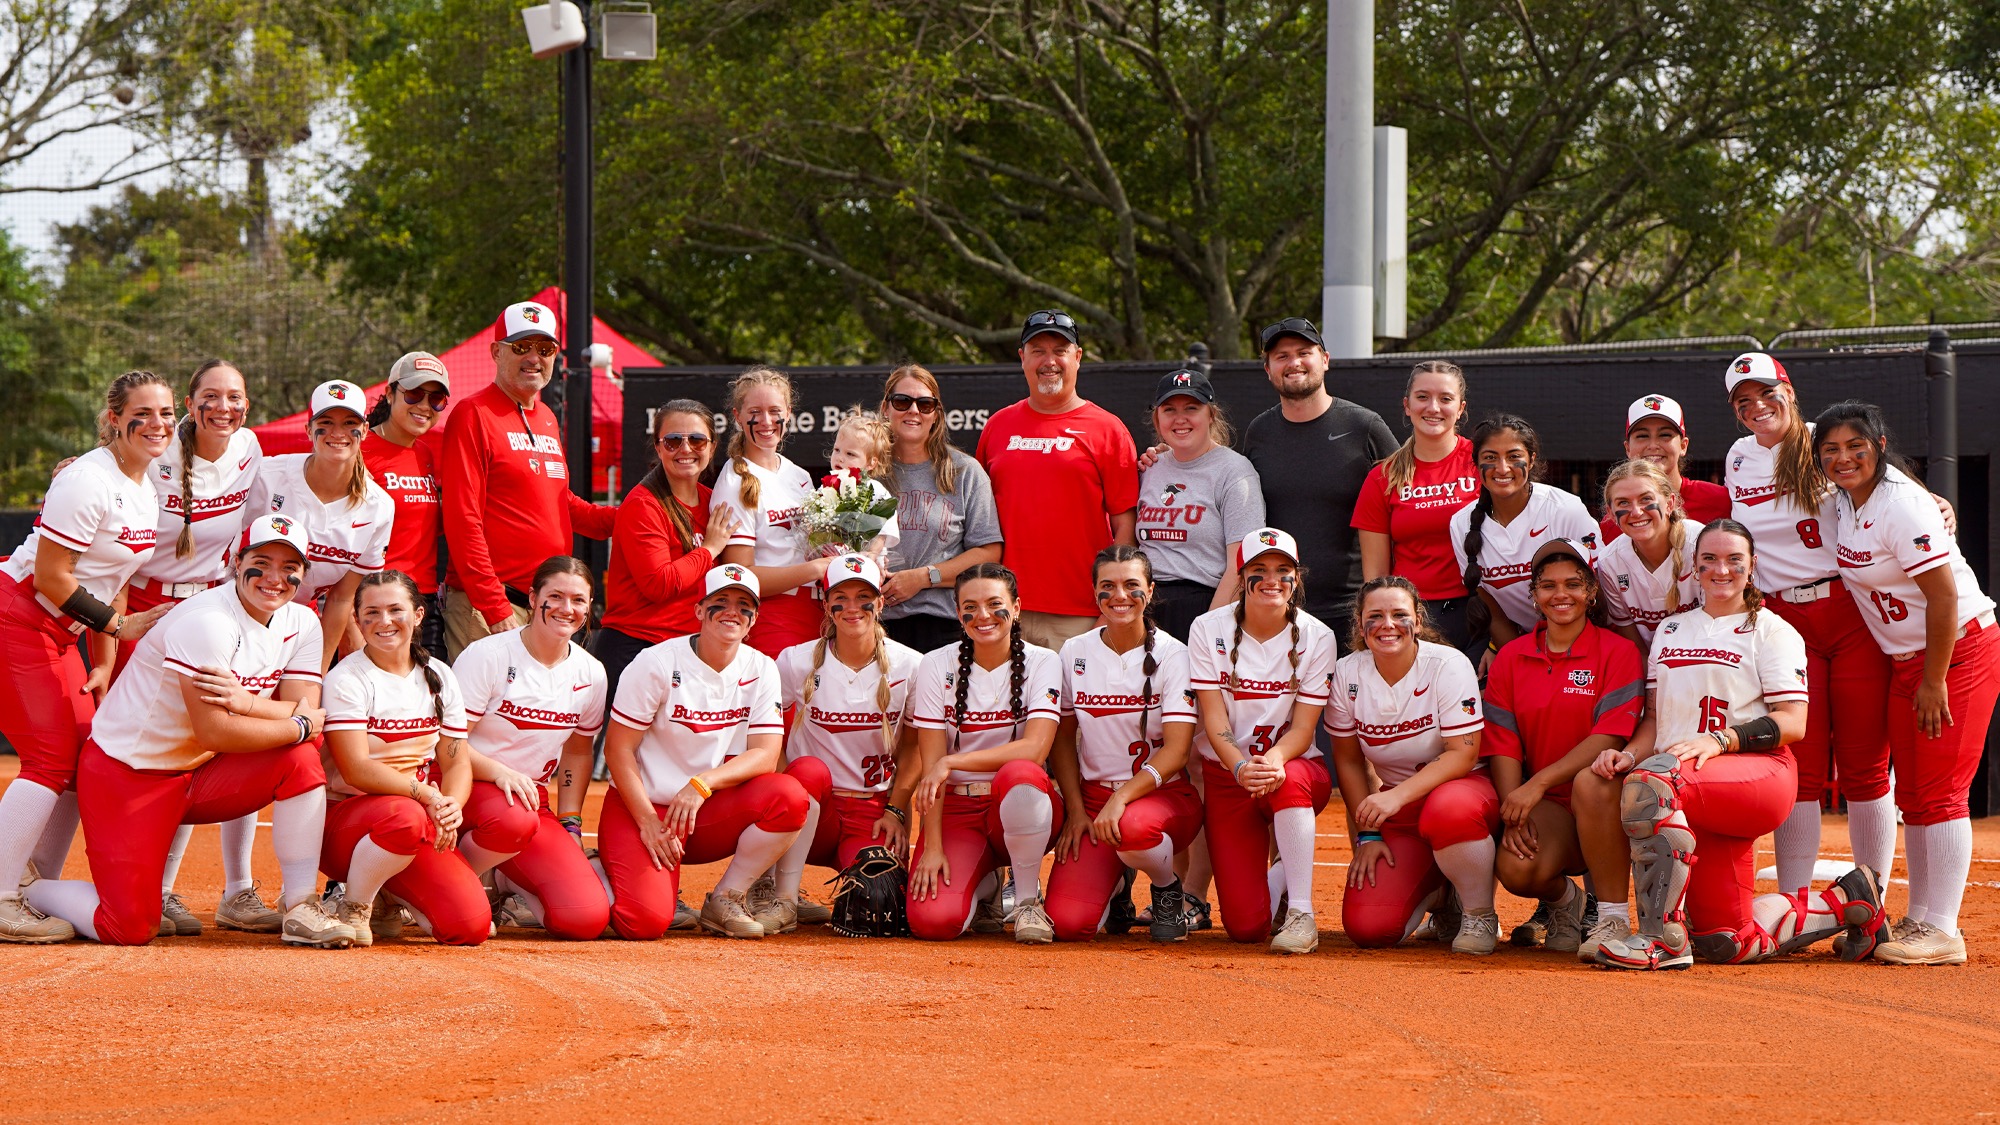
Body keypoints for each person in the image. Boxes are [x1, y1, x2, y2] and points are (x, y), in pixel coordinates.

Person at [20, 515, 355, 948]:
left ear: (303, 574)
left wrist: (252, 705)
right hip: (130, 775)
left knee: (301, 758)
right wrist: (296, 722)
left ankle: (301, 905)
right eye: (262, 561)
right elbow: (219, 730)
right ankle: (30, 888)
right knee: (128, 927)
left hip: (200, 772)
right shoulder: (208, 620)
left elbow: (305, 712)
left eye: (289, 567)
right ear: (236, 562)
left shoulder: (303, 622)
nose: (275, 578)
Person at [1592, 519, 1888, 970]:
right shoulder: (1671, 631)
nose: (1721, 569)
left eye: (1734, 559)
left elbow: (1794, 722)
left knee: (1650, 783)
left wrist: (1722, 739)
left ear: (1752, 566)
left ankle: (1659, 940)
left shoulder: (1772, 630)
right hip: (1689, 785)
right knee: (1725, 941)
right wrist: (1629, 753)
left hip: (1756, 773)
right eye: (1709, 559)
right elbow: (1656, 718)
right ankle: (1850, 901)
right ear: (1693, 567)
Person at [1817, 401, 1999, 964]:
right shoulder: (1844, 500)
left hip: (1955, 652)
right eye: (1831, 449)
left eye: (1856, 446)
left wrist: (1934, 679)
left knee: (1940, 792)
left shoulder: (1903, 505)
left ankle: (1941, 929)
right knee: (1917, 791)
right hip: (1906, 659)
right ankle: (1920, 919)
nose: (1844, 457)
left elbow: (1944, 598)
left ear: (1879, 443)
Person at [0, 370, 174, 942]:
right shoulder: (87, 479)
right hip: (18, 617)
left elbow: (115, 580)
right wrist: (120, 627)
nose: (156, 424)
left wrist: (103, 659)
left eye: (166, 413)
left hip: (58, 631)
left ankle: (31, 888)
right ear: (112, 420)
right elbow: (51, 577)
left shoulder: (146, 486)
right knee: (51, 760)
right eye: (142, 413)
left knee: (83, 763)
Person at [1721, 352, 1893, 893]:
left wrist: (1936, 501)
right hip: (1782, 618)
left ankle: (1874, 898)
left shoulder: (1824, 439)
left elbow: (1887, 489)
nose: (1757, 407)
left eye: (1766, 393)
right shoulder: (1738, 456)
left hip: (1849, 606)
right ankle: (1794, 901)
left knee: (1865, 763)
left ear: (1789, 390)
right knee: (1800, 765)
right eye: (1742, 400)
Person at [131, 360, 272, 938]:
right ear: (190, 403)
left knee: (231, 747)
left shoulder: (250, 447)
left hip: (214, 609)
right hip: (147, 609)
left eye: (235, 397)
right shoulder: (158, 453)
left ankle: (237, 891)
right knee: (160, 755)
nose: (224, 407)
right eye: (210, 396)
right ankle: (154, 891)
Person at [598, 564, 810, 940]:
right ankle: (605, 869)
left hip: (704, 808)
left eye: (744, 605)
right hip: (645, 807)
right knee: (643, 923)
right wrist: (647, 821)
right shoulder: (657, 662)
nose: (732, 611)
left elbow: (765, 754)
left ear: (754, 618)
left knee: (789, 797)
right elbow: (618, 749)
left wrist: (701, 784)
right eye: (720, 602)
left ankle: (726, 897)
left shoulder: (761, 667)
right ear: (699, 610)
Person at [320, 570, 513, 946]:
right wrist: (427, 796)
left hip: (411, 821)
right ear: (356, 620)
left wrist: (451, 808)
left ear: (419, 615)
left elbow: (456, 760)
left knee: (468, 927)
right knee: (404, 815)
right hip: (346, 824)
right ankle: (354, 903)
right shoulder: (347, 678)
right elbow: (355, 769)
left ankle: (388, 893)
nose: (384, 621)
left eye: (396, 610)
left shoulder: (439, 674)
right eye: (371, 613)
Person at [1482, 539, 1643, 953]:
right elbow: (1503, 742)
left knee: (1596, 781)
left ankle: (1612, 919)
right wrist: (1512, 809)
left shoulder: (1619, 652)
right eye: (1548, 586)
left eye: (1573, 584)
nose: (1560, 595)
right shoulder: (1511, 657)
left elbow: (1609, 736)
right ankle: (1570, 904)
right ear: (1534, 596)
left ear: (1591, 592)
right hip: (1551, 805)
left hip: (1605, 797)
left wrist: (1535, 784)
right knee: (1517, 870)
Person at [1186, 528, 1336, 953]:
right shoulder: (1208, 627)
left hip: (1293, 770)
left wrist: (1272, 761)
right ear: (1242, 577)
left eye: (1283, 570)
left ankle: (1301, 913)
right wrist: (1239, 766)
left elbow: (1305, 729)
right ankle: (1279, 876)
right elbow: (1213, 719)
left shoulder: (1316, 635)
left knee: (1287, 780)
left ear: (1297, 578)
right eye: (1259, 570)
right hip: (1228, 776)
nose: (1272, 580)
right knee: (1245, 926)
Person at [1327, 577, 1497, 953]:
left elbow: (1463, 753)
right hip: (1402, 806)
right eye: (1375, 616)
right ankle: (1441, 893)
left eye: (1399, 615)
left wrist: (1393, 799)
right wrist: (1368, 835)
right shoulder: (1347, 673)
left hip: (1465, 792)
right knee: (1369, 928)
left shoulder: (1447, 664)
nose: (1387, 625)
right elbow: (1350, 760)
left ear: (1417, 621)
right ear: (1360, 625)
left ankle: (1479, 911)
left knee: (1448, 808)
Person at [440, 300, 617, 659]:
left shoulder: (548, 417)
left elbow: (560, 502)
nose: (534, 357)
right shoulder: (472, 413)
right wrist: (494, 607)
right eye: (521, 347)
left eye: (545, 348)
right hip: (489, 609)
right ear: (496, 352)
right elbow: (462, 519)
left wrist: (633, 515)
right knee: (485, 716)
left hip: (544, 609)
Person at [1045, 546, 1203, 942]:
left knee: (1133, 828)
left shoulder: (1173, 653)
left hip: (1163, 798)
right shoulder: (1074, 651)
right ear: (1093, 592)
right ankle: (1117, 884)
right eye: (1107, 586)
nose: (1119, 595)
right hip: (1095, 803)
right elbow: (1063, 739)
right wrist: (1077, 810)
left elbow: (1178, 751)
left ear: (1150, 591)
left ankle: (1167, 887)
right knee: (1068, 923)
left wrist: (1121, 798)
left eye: (1132, 585)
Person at [453, 556, 611, 941]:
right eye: (554, 596)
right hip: (467, 785)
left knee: (585, 918)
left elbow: (577, 751)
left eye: (577, 600)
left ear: (588, 607)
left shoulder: (591, 672)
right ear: (532, 597)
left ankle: (506, 876)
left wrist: (571, 821)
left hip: (528, 800)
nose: (566, 609)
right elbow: (449, 744)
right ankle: (462, 877)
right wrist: (500, 772)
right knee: (511, 821)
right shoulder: (488, 654)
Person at [905, 562, 1064, 942]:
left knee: (1020, 773)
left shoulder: (1044, 661)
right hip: (959, 808)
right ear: (957, 613)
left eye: (995, 604)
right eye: (970, 607)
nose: (983, 616)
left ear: (1018, 607)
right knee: (933, 922)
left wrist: (952, 760)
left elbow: (1036, 748)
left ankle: (1026, 899)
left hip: (1022, 801)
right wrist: (933, 846)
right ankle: (987, 886)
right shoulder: (935, 663)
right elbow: (930, 770)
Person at [766, 553, 923, 931]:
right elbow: (767, 733)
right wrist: (778, 799)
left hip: (871, 816)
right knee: (807, 769)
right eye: (841, 597)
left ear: (880, 603)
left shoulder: (911, 665)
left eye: (863, 596)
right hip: (813, 808)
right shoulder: (795, 661)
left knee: (879, 892)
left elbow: (915, 748)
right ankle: (783, 898)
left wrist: (897, 810)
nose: (852, 607)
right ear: (826, 604)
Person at [975, 310, 1139, 650]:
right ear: (1022, 358)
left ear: (1077, 357)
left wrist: (1108, 609)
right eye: (1038, 350)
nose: (1049, 360)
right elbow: (978, 524)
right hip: (1003, 610)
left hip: (1080, 612)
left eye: (1059, 350)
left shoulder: (1108, 429)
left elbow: (1126, 527)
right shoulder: (997, 426)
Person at [1241, 318, 1396, 629]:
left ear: (1325, 360)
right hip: (1279, 608)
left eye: (1303, 352)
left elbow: (1408, 499)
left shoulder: (1365, 426)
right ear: (1268, 369)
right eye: (1281, 356)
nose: (1294, 362)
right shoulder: (1259, 431)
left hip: (1353, 611)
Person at [244, 379, 395, 670]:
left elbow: (340, 600)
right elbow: (234, 557)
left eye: (349, 422)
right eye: (326, 422)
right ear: (308, 429)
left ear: (364, 430)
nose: (338, 433)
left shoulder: (379, 507)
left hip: (302, 621)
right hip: (243, 611)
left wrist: (317, 672)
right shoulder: (269, 475)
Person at [597, 399, 734, 703]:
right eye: (673, 441)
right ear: (658, 448)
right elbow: (659, 584)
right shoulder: (643, 504)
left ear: (712, 447)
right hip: (637, 650)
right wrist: (709, 550)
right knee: (627, 752)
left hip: (691, 651)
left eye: (696, 440)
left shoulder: (714, 501)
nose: (685, 449)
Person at [1448, 414, 1598, 664]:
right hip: (1524, 642)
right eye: (1490, 458)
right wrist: (1522, 660)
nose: (1503, 468)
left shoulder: (1565, 509)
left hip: (1585, 639)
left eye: (1514, 456)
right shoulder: (1461, 524)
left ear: (1532, 460)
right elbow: (1491, 609)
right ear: (1475, 464)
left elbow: (1598, 590)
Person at [878, 364, 1004, 654]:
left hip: (943, 625)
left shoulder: (964, 471)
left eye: (925, 404)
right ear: (886, 408)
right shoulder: (866, 471)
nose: (913, 411)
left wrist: (922, 578)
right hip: (873, 622)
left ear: (936, 413)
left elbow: (989, 552)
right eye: (902, 401)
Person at [1354, 360, 1479, 648]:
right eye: (1422, 397)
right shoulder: (1382, 477)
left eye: (1445, 399)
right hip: (1411, 617)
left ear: (1460, 408)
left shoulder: (1482, 463)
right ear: (1407, 405)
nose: (1433, 408)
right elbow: (1375, 578)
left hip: (1482, 611)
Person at [1134, 368, 1263, 640]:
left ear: (1211, 414)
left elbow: (1241, 564)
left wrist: (1207, 630)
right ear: (1157, 419)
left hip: (1203, 606)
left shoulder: (1234, 471)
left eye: (1191, 408)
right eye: (1169, 410)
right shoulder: (1150, 467)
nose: (1180, 419)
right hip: (1143, 607)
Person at [714, 366, 832, 657]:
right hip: (772, 617)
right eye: (755, 411)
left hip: (821, 612)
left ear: (789, 413)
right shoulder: (735, 481)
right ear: (737, 416)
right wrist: (815, 569)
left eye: (774, 411)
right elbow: (740, 575)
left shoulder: (799, 475)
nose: (766, 421)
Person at [362, 352, 448, 652]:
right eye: (413, 394)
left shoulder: (425, 453)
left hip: (423, 603)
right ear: (389, 393)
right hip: (377, 602)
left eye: (436, 399)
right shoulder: (360, 451)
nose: (424, 405)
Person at [1596, 458, 1701, 650]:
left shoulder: (1701, 544)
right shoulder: (1609, 562)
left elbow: (1720, 626)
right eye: (1623, 503)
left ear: (1670, 503)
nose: (1636, 512)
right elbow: (1636, 649)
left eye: (1646, 499)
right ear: (1611, 514)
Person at [1596, 394, 1731, 543]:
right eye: (1642, 436)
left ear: (1683, 445)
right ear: (1627, 448)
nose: (1653, 445)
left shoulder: (1720, 501)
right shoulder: (1616, 521)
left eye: (1665, 435)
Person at [824, 410, 902, 558]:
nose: (840, 458)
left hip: (867, 563)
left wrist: (873, 554)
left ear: (871, 463)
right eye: (837, 450)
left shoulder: (875, 490)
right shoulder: (826, 487)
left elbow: (885, 529)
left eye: (850, 454)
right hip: (833, 561)